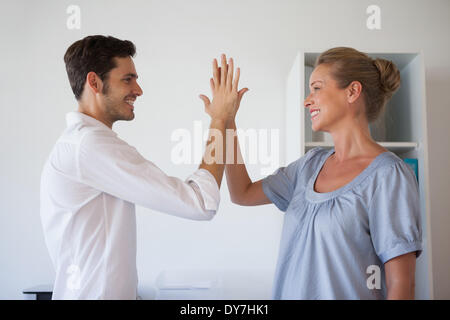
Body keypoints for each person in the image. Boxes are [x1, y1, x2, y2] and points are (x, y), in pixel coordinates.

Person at [40, 35, 244, 299]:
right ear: (94, 82)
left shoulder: (82, 143)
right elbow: (201, 202)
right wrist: (220, 118)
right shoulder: (89, 145)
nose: (138, 89)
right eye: (128, 79)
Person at [225, 47, 422, 299]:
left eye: (317, 88)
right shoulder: (308, 165)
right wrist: (227, 121)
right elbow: (241, 193)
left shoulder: (389, 176)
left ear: (352, 91)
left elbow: (401, 286)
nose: (307, 100)